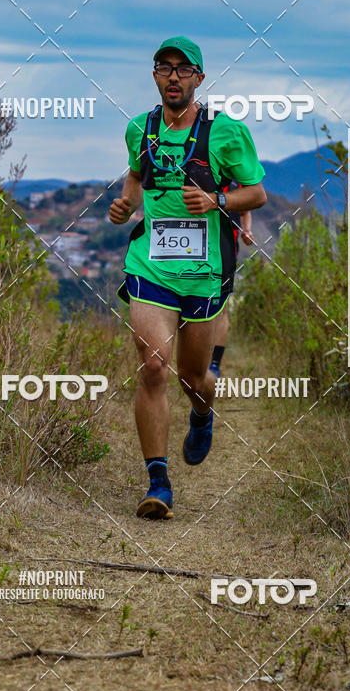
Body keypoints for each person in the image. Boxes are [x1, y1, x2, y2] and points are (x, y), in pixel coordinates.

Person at [109, 36, 266, 519]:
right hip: (151, 265)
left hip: (204, 273)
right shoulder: (140, 128)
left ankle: (201, 413)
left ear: (199, 77)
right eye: (164, 67)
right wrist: (127, 203)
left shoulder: (226, 132)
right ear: (155, 75)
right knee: (154, 366)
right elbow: (136, 175)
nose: (173, 76)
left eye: (183, 68)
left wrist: (218, 201)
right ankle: (158, 483)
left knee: (194, 378)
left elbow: (256, 193)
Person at [209, 188, 255, 377]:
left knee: (221, 308)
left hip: (226, 248)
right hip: (194, 248)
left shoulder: (237, 177)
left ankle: (214, 364)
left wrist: (247, 230)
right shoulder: (196, 172)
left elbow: (245, 211)